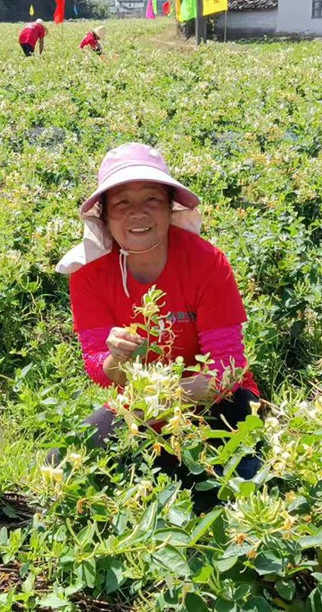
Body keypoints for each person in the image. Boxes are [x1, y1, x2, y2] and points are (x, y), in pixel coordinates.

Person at [54, 143, 262, 487]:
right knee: (65, 465)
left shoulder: (207, 263)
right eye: (122, 203)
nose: (138, 213)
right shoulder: (88, 273)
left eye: (151, 199)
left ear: (170, 208)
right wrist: (116, 358)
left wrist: (165, 397)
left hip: (216, 399)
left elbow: (228, 369)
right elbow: (99, 366)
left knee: (237, 483)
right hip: (138, 406)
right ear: (104, 215)